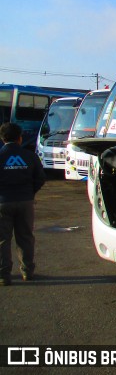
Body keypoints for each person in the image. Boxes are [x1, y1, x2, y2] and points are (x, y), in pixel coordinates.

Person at [0, 122, 46, 286]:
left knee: (3, 240)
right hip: (25, 202)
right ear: (20, 138)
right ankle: (27, 272)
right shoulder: (29, 156)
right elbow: (40, 178)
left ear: (2, 138)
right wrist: (29, 193)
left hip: (3, 202)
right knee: (25, 237)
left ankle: (3, 276)